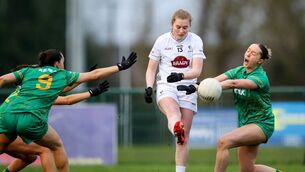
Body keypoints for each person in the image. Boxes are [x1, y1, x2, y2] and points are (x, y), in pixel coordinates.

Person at [0, 49, 137, 172]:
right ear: (57, 63)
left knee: (20, 152)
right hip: (31, 118)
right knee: (54, 147)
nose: (63, 65)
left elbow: (3, 79)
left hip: (7, 115)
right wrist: (120, 66)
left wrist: (87, 87)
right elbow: (94, 76)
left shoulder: (29, 73)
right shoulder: (61, 74)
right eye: (63, 61)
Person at [177, 43, 282, 172]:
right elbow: (215, 80)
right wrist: (195, 87)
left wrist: (214, 87)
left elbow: (233, 83)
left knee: (223, 142)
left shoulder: (260, 77)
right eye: (248, 50)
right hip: (246, 124)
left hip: (262, 124)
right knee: (248, 169)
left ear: (260, 60)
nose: (248, 54)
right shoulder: (239, 71)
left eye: (253, 53)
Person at [144, 9, 206, 172]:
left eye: (185, 27)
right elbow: (151, 69)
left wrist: (180, 76)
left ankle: (180, 169)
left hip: (187, 88)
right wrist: (149, 87)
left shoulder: (196, 41)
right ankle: (176, 128)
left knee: (183, 138)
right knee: (174, 115)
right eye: (178, 27)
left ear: (190, 26)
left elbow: (197, 71)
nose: (181, 31)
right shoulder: (162, 41)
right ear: (172, 24)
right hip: (166, 86)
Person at [2, 80, 109, 172]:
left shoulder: (23, 91)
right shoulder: (34, 93)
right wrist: (91, 92)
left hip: (6, 128)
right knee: (45, 149)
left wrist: (82, 80)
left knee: (30, 157)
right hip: (4, 130)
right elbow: (66, 100)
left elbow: (60, 90)